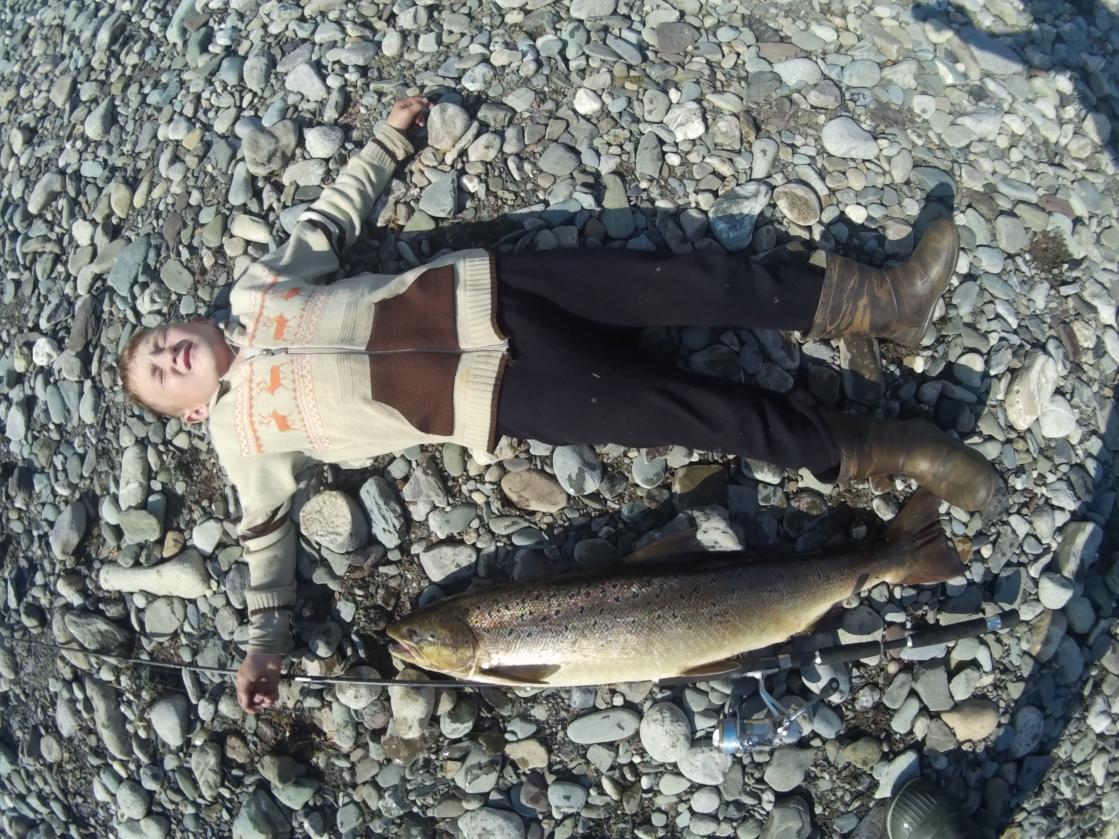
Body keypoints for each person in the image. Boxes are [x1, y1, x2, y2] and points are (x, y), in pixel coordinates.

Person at [117, 95, 1001, 714]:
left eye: (159, 341)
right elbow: (265, 541)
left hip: (500, 286)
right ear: (190, 412)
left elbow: (329, 222)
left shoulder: (261, 289)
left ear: (187, 321)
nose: (167, 355)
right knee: (699, 412)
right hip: (506, 395)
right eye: (161, 376)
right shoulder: (241, 437)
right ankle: (898, 451)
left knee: (690, 280)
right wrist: (264, 643)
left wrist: (387, 143)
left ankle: (883, 303)